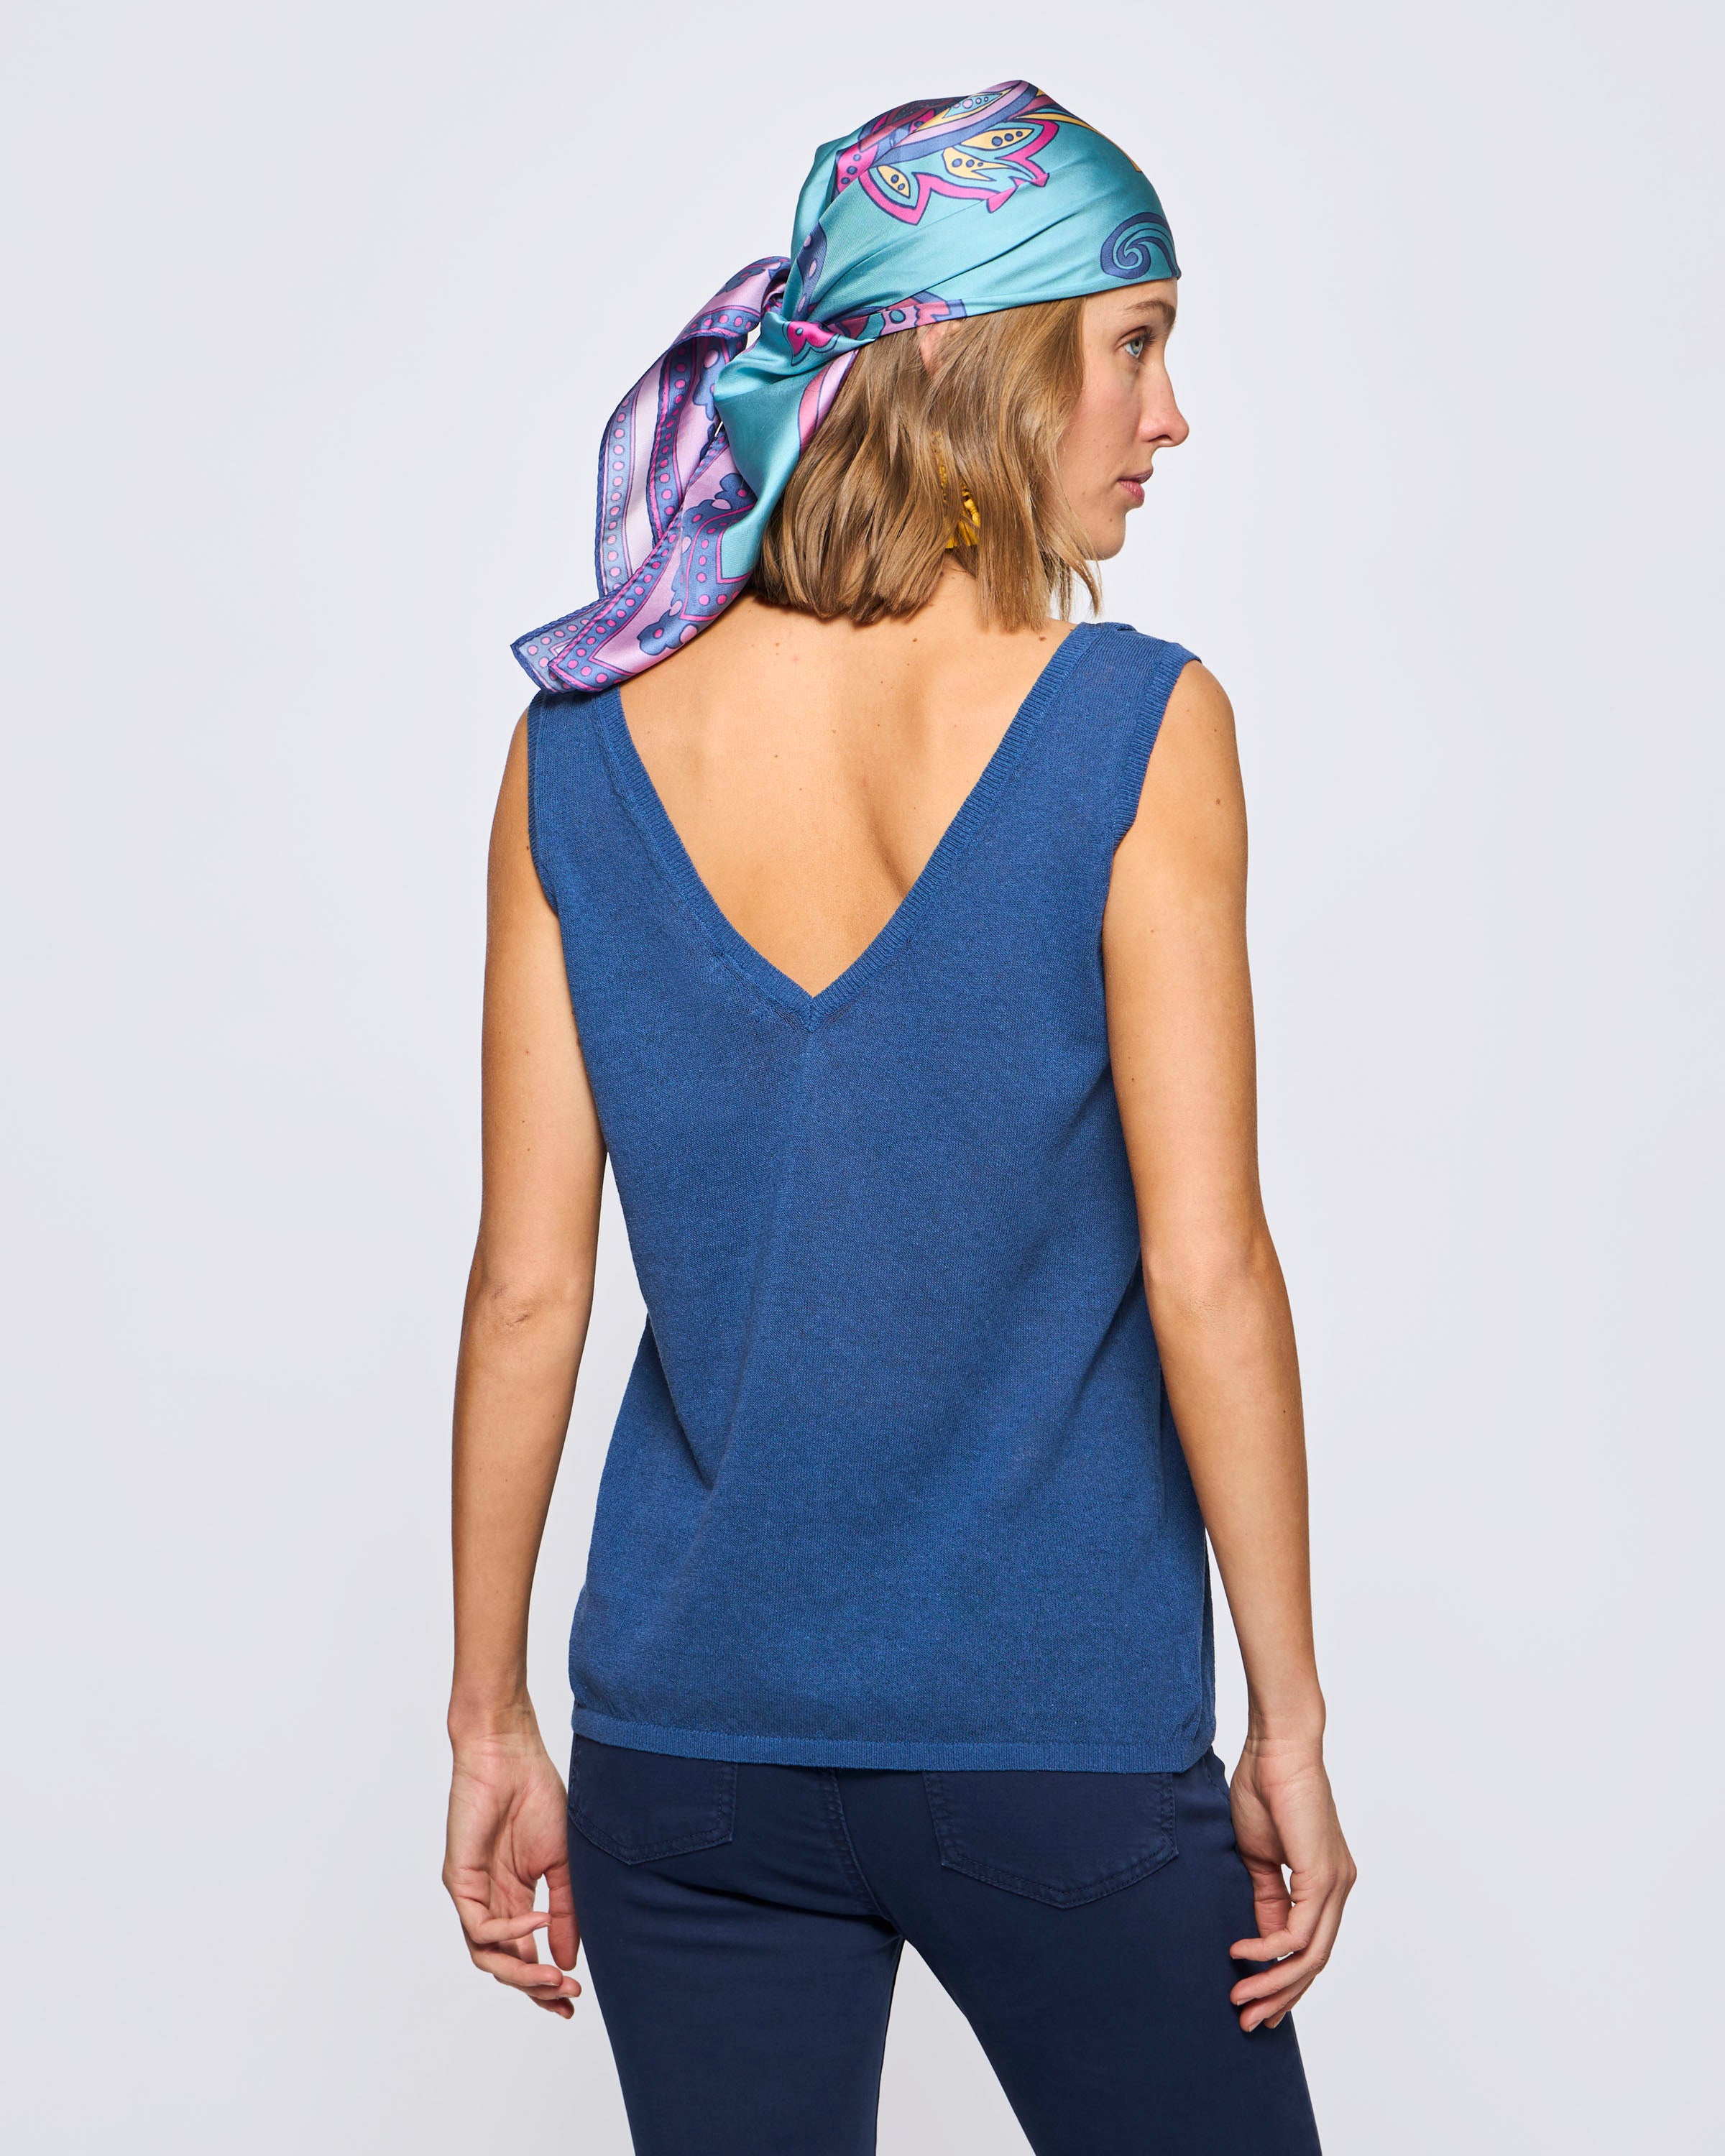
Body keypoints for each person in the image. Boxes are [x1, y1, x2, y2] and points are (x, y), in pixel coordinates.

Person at [443, 80, 1354, 2155]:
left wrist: (488, 1716)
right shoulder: (1136, 726)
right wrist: (1290, 1719)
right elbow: (1210, 1268)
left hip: (689, 1755)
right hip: (1053, 1737)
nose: (1171, 416)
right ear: (980, 361)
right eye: (1133, 344)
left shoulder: (573, 750)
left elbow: (525, 1291)